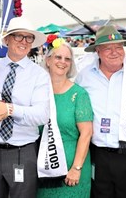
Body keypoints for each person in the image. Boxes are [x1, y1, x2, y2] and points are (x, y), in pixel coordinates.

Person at [0, 16, 51, 198]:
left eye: (28, 38)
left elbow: (42, 115)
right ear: (7, 39)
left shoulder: (39, 75)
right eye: (18, 36)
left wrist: (9, 109)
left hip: (22, 152)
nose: (24, 42)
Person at [76, 25, 126, 198]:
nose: (115, 52)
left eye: (118, 47)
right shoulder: (84, 77)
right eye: (108, 48)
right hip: (99, 156)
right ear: (97, 51)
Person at [37, 38, 93, 197]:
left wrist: (76, 168)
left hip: (71, 169)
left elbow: (86, 133)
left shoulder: (79, 94)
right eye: (58, 57)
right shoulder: (38, 92)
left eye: (67, 59)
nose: (63, 62)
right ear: (48, 60)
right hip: (44, 169)